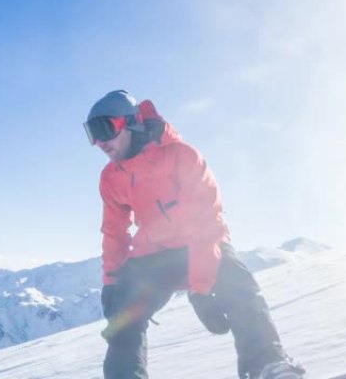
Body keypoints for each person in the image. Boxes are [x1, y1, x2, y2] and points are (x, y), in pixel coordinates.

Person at [83, 90, 305, 379]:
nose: (99, 142)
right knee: (123, 319)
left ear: (129, 122)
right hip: (153, 256)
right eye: (91, 133)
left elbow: (205, 223)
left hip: (201, 244)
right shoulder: (111, 177)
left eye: (104, 129)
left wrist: (200, 288)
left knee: (236, 283)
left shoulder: (182, 156)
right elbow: (115, 232)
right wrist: (112, 283)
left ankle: (267, 365)